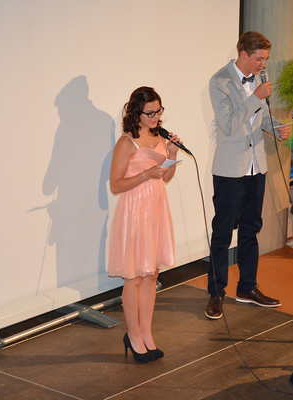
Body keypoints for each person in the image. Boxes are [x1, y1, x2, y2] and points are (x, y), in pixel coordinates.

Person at [206, 31, 292, 319]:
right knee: (222, 232)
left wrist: (276, 127)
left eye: (265, 59)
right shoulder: (219, 81)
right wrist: (255, 97)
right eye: (259, 59)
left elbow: (260, 116)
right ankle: (216, 293)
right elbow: (229, 125)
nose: (263, 65)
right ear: (243, 54)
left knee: (251, 228)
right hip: (230, 170)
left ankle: (247, 287)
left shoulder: (257, 80)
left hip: (257, 167)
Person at [108, 86, 182, 363]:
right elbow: (115, 185)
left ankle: (147, 334)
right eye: (149, 113)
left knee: (152, 275)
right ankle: (133, 335)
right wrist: (145, 175)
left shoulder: (159, 136)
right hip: (134, 212)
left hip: (156, 208)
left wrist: (172, 154)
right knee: (135, 276)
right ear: (136, 113)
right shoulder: (126, 142)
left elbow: (166, 178)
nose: (155, 117)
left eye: (158, 111)